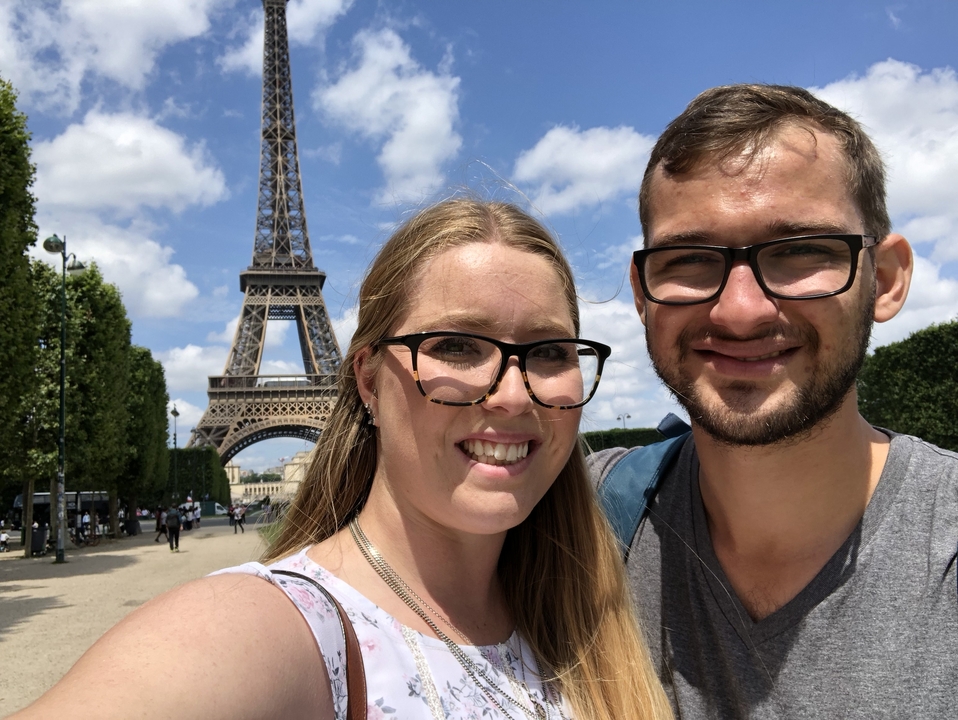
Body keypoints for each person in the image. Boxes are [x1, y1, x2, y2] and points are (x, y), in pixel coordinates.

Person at [12, 199, 672, 719]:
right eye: (456, 346)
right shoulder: (281, 630)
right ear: (367, 380)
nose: (511, 394)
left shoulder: (588, 625)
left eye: (550, 352)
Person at [590, 84, 958, 717]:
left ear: (885, 280)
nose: (740, 311)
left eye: (800, 251)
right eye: (689, 258)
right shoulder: (580, 517)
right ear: (643, 294)